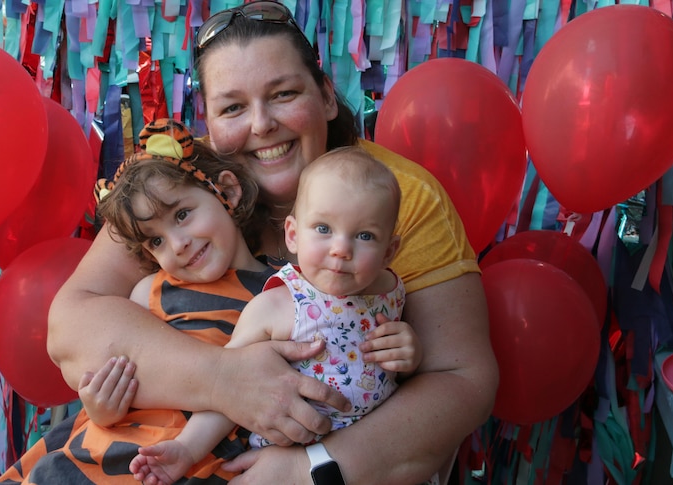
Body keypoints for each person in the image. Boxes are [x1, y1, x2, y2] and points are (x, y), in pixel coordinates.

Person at [39, 1, 498, 483]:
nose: (261, 125)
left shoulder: (398, 196)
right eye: (233, 107)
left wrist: (309, 470)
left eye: (282, 94)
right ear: (210, 123)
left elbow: (461, 379)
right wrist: (225, 381)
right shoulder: (181, 186)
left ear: (325, 96)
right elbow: (72, 326)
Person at [129, 147, 421, 484]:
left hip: (368, 461)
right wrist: (186, 450)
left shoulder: (390, 293)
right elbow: (228, 387)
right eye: (323, 229)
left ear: (389, 251)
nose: (341, 249)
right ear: (293, 235)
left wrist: (410, 353)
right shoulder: (278, 305)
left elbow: (400, 376)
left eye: (364, 235)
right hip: (285, 460)